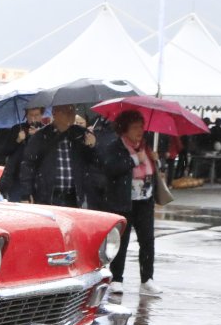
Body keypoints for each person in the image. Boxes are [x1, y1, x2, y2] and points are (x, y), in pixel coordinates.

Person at [98, 109, 159, 294]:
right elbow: (110, 168)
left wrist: (156, 161)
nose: (139, 131)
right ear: (124, 129)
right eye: (134, 127)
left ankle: (147, 279)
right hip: (123, 201)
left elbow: (151, 171)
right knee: (122, 241)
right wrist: (133, 160)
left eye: (141, 127)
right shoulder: (115, 146)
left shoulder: (146, 146)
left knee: (147, 240)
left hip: (145, 200)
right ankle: (117, 278)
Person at [13, 103, 97, 206]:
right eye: (65, 112)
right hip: (48, 196)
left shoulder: (81, 134)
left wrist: (92, 146)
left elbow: (94, 161)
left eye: (72, 111)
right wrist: (26, 194)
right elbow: (28, 165)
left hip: (75, 197)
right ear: (54, 113)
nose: (70, 115)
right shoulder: (41, 136)